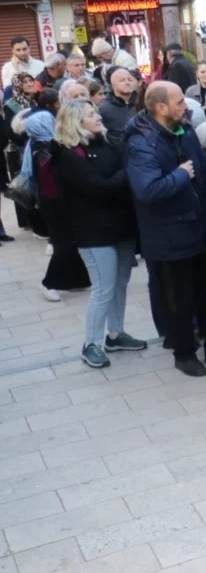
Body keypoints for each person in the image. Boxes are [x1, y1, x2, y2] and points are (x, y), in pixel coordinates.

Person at [124, 82, 206, 377]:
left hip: (200, 226)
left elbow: (202, 170)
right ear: (161, 108)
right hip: (168, 236)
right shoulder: (141, 142)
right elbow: (147, 190)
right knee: (179, 298)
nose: (186, 106)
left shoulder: (186, 129)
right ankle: (184, 352)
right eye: (179, 102)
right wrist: (180, 175)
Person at [52, 100, 146, 368]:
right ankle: (90, 343)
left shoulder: (105, 143)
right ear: (75, 122)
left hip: (121, 227)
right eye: (91, 114)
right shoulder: (68, 154)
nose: (98, 117)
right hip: (93, 232)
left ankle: (115, 335)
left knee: (119, 285)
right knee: (103, 289)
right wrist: (128, 172)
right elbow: (97, 187)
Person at [26, 90, 91, 301]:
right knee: (64, 243)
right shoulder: (46, 147)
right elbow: (51, 181)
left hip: (58, 201)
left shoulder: (52, 144)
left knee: (69, 242)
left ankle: (78, 280)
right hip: (55, 203)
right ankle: (49, 283)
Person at [3, 72, 44, 236]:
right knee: (28, 185)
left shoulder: (38, 100)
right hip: (23, 149)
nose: (28, 84)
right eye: (24, 82)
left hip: (40, 146)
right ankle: (32, 223)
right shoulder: (11, 105)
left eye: (30, 81)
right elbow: (10, 131)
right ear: (17, 86)